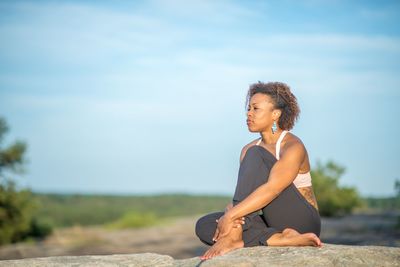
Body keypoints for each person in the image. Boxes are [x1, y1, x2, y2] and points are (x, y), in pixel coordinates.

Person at [195, 82, 322, 260]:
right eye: (248, 108)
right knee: (205, 225)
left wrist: (232, 215)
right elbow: (246, 196)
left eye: (256, 109)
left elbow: (272, 189)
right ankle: (278, 239)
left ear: (275, 114)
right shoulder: (248, 150)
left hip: (302, 221)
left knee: (230, 217)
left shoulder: (292, 146)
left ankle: (240, 237)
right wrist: (230, 213)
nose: (249, 113)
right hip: (272, 223)